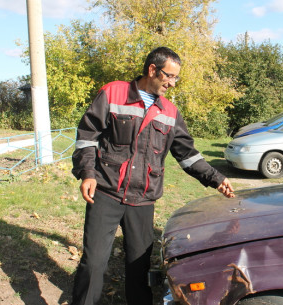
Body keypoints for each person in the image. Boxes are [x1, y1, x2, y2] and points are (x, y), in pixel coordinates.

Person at [70, 46, 235, 305]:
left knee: (140, 266)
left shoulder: (170, 112)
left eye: (176, 78)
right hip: (106, 192)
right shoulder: (114, 93)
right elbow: (87, 136)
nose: (172, 83)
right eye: (169, 76)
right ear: (152, 70)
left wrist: (216, 178)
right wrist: (88, 173)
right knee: (93, 263)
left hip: (143, 199)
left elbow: (188, 155)